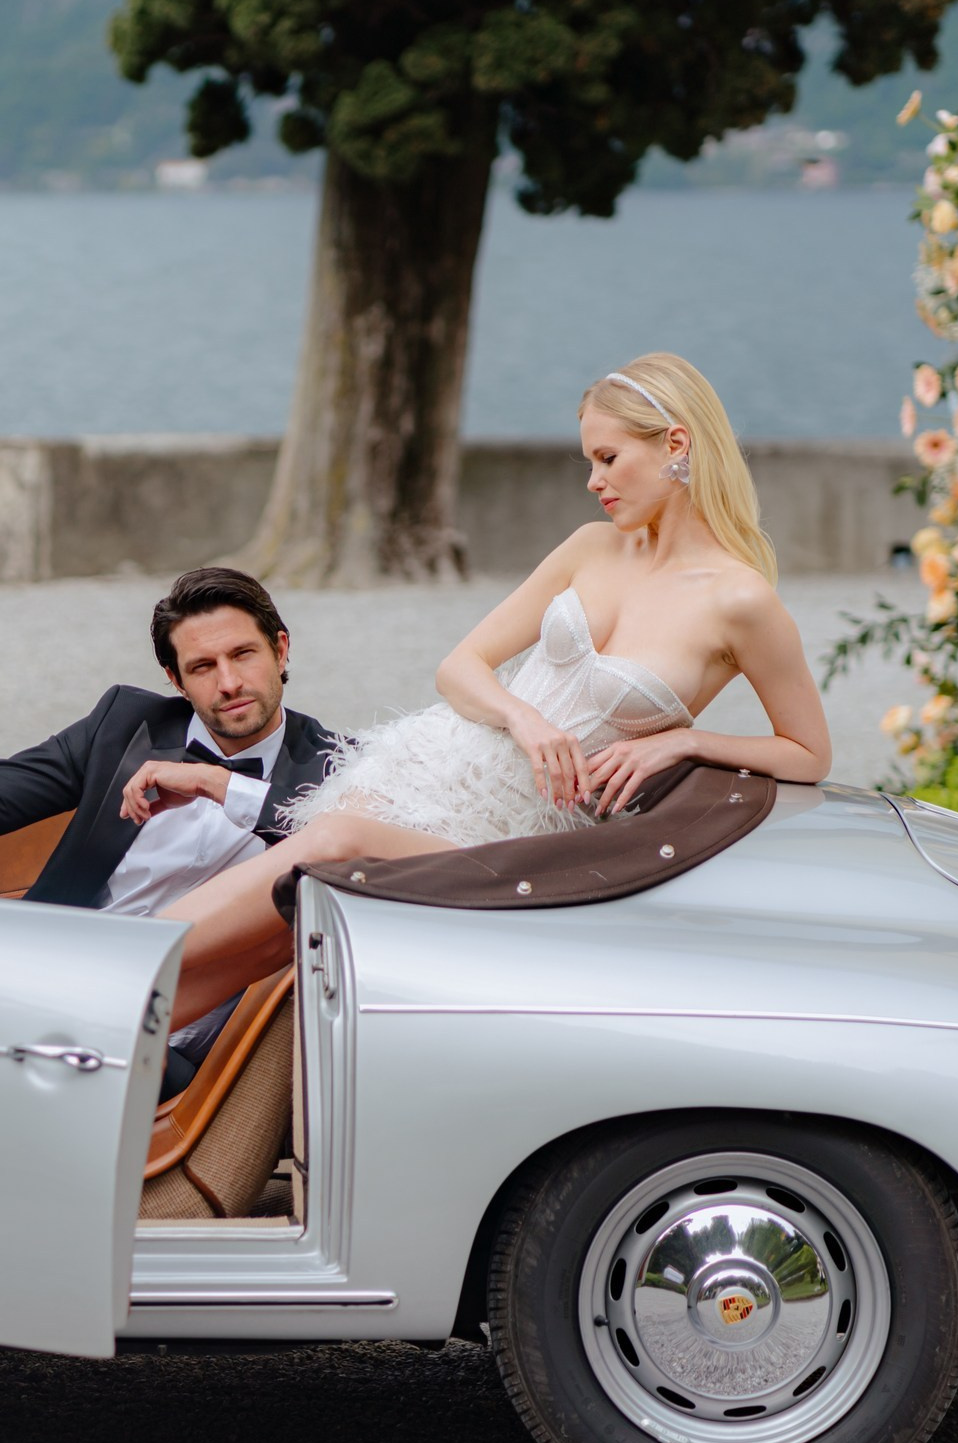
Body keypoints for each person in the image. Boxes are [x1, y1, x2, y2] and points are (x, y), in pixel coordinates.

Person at [154, 352, 834, 1030]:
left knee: (333, 845)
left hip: (521, 839)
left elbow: (808, 752)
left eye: (607, 458)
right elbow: (461, 666)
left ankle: (120, 957)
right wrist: (522, 717)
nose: (594, 481)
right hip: (431, 763)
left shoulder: (741, 601)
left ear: (676, 445)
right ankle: (130, 1027)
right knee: (282, 930)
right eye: (589, 462)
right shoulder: (592, 546)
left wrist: (685, 741)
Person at [0, 565, 341, 1092]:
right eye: (202, 667)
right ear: (176, 680)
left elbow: (351, 850)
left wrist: (217, 784)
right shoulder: (125, 724)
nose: (228, 684)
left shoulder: (338, 770)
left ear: (280, 650)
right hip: (39, 971)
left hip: (160, 1043)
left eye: (243, 654)